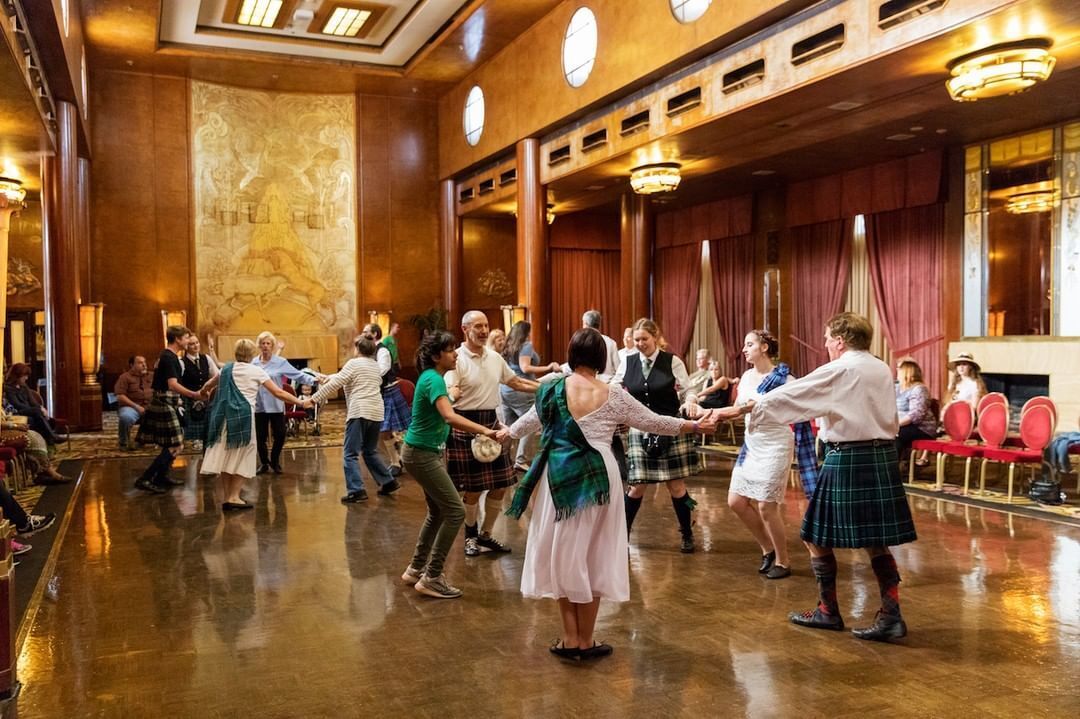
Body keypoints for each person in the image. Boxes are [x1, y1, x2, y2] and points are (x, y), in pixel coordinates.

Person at [506, 328, 718, 660]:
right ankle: (587, 641)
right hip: (599, 480)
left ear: (572, 354)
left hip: (558, 478)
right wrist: (692, 426)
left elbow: (523, 425)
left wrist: (499, 434)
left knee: (563, 554)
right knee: (594, 555)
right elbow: (653, 422)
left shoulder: (551, 389)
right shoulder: (613, 394)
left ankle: (570, 638)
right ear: (602, 358)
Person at [717, 312, 917, 642]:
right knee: (875, 541)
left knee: (813, 534)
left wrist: (741, 410)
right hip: (881, 456)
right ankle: (891, 614)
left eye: (827, 338)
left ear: (840, 340)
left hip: (849, 456)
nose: (825, 344)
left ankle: (827, 610)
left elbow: (790, 397)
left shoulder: (841, 368)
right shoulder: (881, 367)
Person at [400, 330, 509, 599]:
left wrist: (454, 396)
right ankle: (433, 576)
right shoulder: (434, 380)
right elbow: (449, 417)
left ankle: (416, 569)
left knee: (438, 512)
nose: (456, 353)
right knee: (455, 512)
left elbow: (443, 408)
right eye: (450, 351)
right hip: (422, 454)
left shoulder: (431, 378)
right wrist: (487, 431)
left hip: (421, 453)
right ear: (437, 356)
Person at [444, 311, 538, 556]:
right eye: (478, 326)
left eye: (486, 325)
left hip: (491, 424)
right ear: (465, 329)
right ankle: (470, 537)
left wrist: (547, 388)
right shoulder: (457, 359)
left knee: (501, 485)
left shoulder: (495, 358)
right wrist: (451, 392)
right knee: (473, 489)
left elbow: (515, 382)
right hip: (465, 426)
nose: (484, 330)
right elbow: (451, 389)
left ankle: (485, 535)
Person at [726, 330, 816, 580]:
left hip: (776, 444)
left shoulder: (786, 380)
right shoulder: (745, 377)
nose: (744, 349)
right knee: (736, 501)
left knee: (766, 506)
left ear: (764, 347)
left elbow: (802, 409)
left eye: (749, 344)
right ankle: (768, 549)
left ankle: (783, 560)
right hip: (752, 443)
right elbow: (738, 408)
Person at [611, 318, 702, 553]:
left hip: (669, 426)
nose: (640, 344)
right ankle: (622, 536)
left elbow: (689, 388)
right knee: (637, 486)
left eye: (644, 339)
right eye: (636, 339)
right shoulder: (627, 362)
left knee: (676, 485)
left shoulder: (672, 361)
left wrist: (691, 400)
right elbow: (614, 387)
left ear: (655, 338)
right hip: (639, 427)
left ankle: (687, 533)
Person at [199, 339, 306, 511]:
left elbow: (208, 385)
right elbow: (278, 392)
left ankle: (228, 498)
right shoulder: (256, 371)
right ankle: (234, 497)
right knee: (243, 455)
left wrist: (202, 393)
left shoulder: (227, 369)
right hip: (244, 418)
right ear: (251, 354)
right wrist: (301, 403)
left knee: (227, 456)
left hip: (224, 418)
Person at [306, 335, 400, 503]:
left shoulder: (353, 363)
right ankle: (388, 481)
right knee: (370, 451)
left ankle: (356, 490)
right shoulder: (375, 366)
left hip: (359, 412)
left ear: (357, 349)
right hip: (377, 412)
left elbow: (337, 383)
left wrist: (313, 399)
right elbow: (345, 377)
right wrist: (328, 377)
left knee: (350, 453)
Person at [134, 325, 205, 493]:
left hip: (169, 401)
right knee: (175, 445)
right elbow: (172, 384)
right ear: (178, 339)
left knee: (175, 445)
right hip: (164, 402)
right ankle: (145, 478)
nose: (188, 341)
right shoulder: (168, 357)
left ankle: (161, 476)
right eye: (186, 338)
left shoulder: (170, 356)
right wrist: (194, 394)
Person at [251, 331, 318, 474]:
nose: (265, 346)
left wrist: (314, 379)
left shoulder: (280, 362)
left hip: (276, 404)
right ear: (259, 345)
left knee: (280, 434)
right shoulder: (254, 362)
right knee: (260, 437)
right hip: (259, 406)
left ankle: (274, 461)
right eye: (263, 343)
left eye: (268, 343)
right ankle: (263, 463)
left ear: (273, 346)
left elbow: (298, 375)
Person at [501, 321, 560, 472]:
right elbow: (525, 367)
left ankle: (503, 459)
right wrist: (548, 367)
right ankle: (520, 459)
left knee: (509, 427)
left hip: (505, 389)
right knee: (531, 422)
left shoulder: (508, 344)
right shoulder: (526, 345)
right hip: (522, 388)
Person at [363, 323, 411, 476]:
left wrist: (366, 375)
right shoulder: (368, 350)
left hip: (388, 391)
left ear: (375, 334)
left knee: (400, 429)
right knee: (384, 430)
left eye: (366, 332)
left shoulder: (382, 350)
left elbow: (382, 370)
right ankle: (395, 461)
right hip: (377, 393)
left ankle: (403, 459)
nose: (363, 334)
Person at [3, 363, 59, 446]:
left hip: (31, 411)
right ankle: (52, 437)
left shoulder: (24, 386)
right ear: (16, 376)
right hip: (18, 412)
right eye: (24, 376)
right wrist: (36, 410)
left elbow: (33, 402)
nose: (26, 378)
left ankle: (49, 440)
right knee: (39, 414)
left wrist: (41, 408)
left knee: (40, 417)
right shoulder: (8, 388)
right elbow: (17, 405)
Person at [180, 336, 219, 450]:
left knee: (206, 421)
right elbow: (179, 382)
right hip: (189, 397)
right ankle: (195, 440)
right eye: (192, 344)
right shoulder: (181, 362)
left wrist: (210, 390)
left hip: (205, 396)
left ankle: (206, 440)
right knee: (194, 421)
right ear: (186, 346)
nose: (196, 345)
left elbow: (216, 375)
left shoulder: (206, 358)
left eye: (197, 342)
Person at [895, 358, 937, 457]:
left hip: (921, 428)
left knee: (896, 435)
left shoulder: (919, 389)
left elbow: (915, 416)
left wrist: (895, 425)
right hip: (902, 425)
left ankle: (893, 468)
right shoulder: (897, 387)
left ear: (907, 373)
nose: (897, 371)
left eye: (900, 369)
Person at [114, 355, 152, 450]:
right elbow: (120, 396)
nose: (144, 365)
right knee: (126, 417)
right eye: (140, 363)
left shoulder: (152, 375)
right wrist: (136, 406)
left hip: (149, 405)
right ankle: (123, 442)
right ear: (132, 365)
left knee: (163, 413)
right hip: (131, 406)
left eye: (144, 362)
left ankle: (141, 440)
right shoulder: (124, 377)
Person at [581, 310, 620, 379]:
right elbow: (618, 369)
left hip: (587, 383)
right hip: (608, 383)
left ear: (585, 324)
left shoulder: (581, 341)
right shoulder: (611, 342)